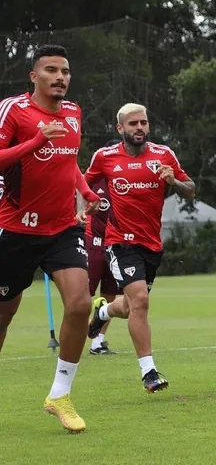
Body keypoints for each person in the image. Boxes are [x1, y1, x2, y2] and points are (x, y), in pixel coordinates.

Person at [0, 44, 99, 432]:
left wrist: (87, 192)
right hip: (17, 230)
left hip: (62, 227)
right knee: (5, 313)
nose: (60, 77)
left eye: (66, 71)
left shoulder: (73, 112)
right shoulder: (14, 110)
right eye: (52, 70)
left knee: (80, 303)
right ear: (34, 76)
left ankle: (60, 394)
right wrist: (34, 143)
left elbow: (69, 159)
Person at [85, 103, 196, 393]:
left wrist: (174, 181)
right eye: (132, 124)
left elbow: (191, 188)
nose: (139, 128)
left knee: (130, 304)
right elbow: (81, 185)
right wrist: (80, 207)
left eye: (143, 123)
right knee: (141, 302)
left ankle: (104, 312)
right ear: (120, 128)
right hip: (120, 241)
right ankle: (149, 372)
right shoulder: (105, 157)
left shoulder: (163, 154)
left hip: (152, 244)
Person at [85, 147, 118, 355]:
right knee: (83, 296)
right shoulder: (92, 179)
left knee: (110, 295)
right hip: (93, 243)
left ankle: (97, 342)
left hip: (116, 245)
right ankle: (78, 336)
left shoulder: (124, 181)